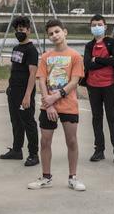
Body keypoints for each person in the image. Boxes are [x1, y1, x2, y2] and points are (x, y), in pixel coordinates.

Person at [27, 19, 87, 192]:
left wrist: (57, 97)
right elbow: (42, 81)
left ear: (64, 32)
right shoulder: (45, 57)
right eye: (51, 33)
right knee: (45, 142)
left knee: (72, 141)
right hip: (49, 107)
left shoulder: (75, 56)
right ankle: (46, 177)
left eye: (57, 32)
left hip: (68, 105)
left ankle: (73, 177)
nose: (54, 35)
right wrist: (49, 103)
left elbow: (74, 81)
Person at [83, 14, 114, 165]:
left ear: (105, 26)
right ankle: (99, 150)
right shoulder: (89, 46)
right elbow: (88, 65)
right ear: (90, 27)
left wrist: (97, 59)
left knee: (112, 118)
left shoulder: (111, 42)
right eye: (94, 25)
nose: (97, 27)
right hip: (93, 86)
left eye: (99, 24)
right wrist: (105, 61)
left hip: (109, 85)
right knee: (97, 118)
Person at [0, 16, 40, 166]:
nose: (19, 32)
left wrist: (28, 95)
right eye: (17, 30)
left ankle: (33, 154)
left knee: (28, 122)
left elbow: (32, 74)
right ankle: (17, 150)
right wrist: (10, 87)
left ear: (28, 31)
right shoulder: (16, 48)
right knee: (15, 121)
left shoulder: (31, 50)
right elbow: (14, 69)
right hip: (13, 91)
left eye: (22, 30)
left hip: (25, 92)